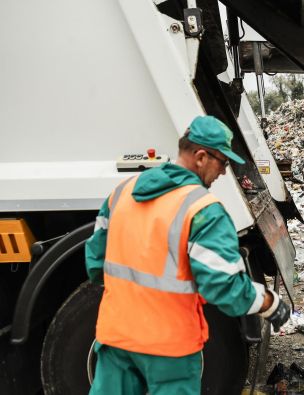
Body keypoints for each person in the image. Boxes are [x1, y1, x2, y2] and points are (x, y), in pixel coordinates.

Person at [85, 115, 290, 394]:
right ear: (202, 157)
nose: (222, 172)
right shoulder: (202, 210)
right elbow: (224, 287)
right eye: (223, 162)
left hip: (116, 337)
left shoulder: (122, 193)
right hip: (169, 348)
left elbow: (96, 264)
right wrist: (268, 303)